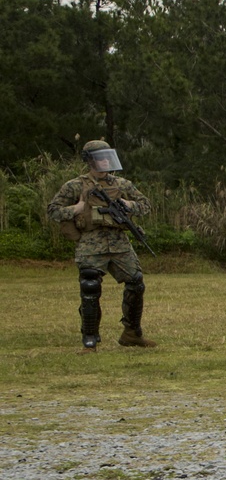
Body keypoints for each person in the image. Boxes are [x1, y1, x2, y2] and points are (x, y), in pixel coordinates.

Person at [47, 140, 156, 353]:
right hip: (90, 243)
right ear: (89, 160)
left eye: (108, 156)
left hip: (118, 242)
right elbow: (52, 210)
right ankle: (90, 340)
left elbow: (146, 205)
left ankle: (131, 333)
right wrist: (76, 209)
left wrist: (129, 205)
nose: (105, 161)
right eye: (100, 157)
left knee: (136, 282)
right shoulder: (75, 185)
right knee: (89, 287)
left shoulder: (122, 184)